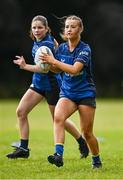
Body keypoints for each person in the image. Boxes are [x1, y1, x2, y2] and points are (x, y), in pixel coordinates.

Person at [6, 15, 89, 159]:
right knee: (21, 111)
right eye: (34, 27)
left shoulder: (46, 45)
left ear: (46, 29)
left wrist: (25, 66)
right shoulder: (39, 41)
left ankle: (81, 141)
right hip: (38, 84)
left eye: (40, 28)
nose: (37, 30)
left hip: (51, 85)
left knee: (58, 119)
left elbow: (43, 69)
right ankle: (24, 149)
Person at [40, 15, 102, 169]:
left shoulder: (84, 49)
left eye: (73, 26)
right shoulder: (61, 48)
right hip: (67, 93)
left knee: (87, 133)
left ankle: (96, 160)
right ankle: (58, 155)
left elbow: (74, 70)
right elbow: (56, 69)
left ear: (80, 29)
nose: (69, 29)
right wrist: (46, 63)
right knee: (58, 117)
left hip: (85, 93)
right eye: (67, 26)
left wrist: (54, 61)